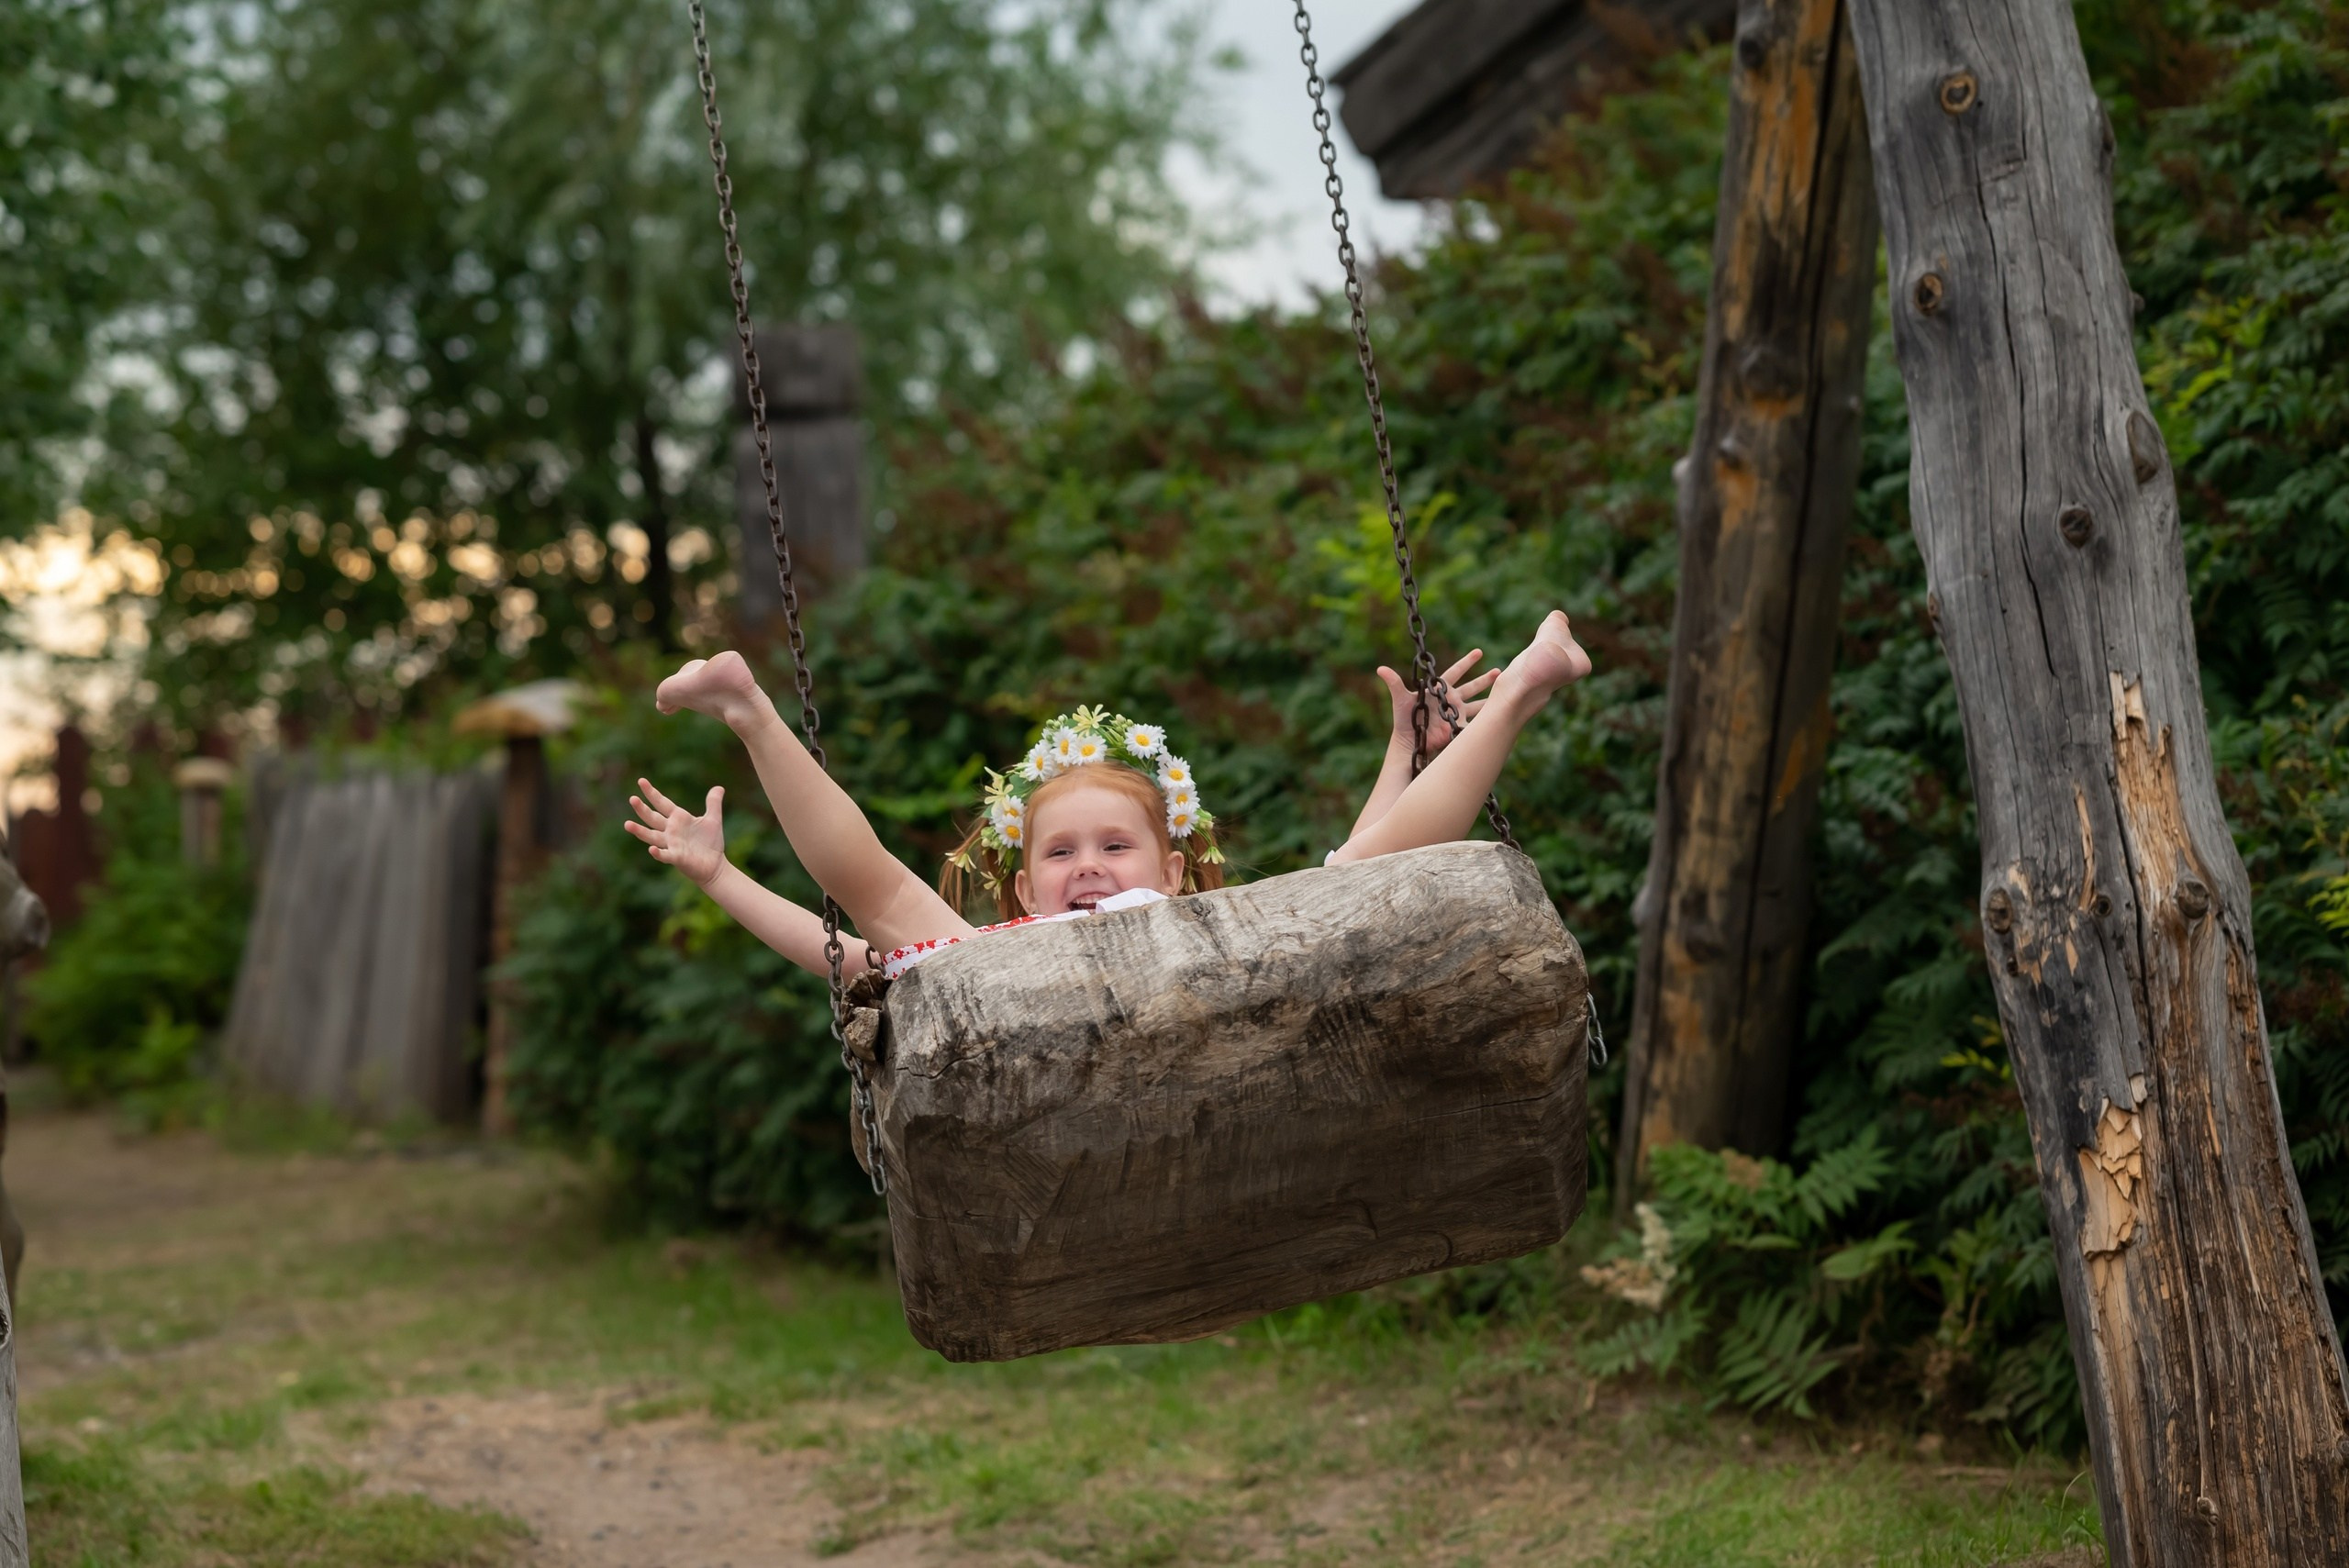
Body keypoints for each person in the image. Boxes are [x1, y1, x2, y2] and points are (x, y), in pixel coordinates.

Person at [624, 610, 1592, 981]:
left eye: (1113, 848)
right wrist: (718, 875)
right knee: (886, 908)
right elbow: (842, 957)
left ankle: (1515, 697)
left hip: (1218, 982)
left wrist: (1403, 754)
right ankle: (750, 710)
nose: (1086, 864)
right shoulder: (1008, 952)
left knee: (1353, 881)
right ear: (1023, 894)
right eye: (1059, 852)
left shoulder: (1204, 921)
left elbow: (1368, 854)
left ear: (1172, 870)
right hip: (1028, 1005)